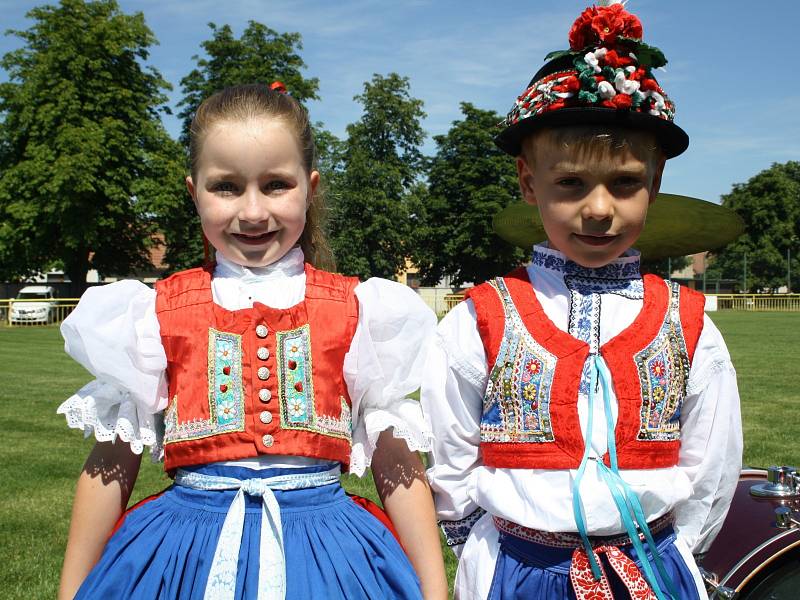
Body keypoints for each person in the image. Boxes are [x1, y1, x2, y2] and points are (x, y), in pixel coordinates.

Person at [57, 82, 448, 600]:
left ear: (310, 187)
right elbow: (114, 461)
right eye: (226, 187)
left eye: (275, 185)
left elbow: (395, 459)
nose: (253, 211)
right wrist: (72, 588)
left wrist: (434, 587)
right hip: (185, 551)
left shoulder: (358, 310)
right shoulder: (157, 312)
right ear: (193, 191)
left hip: (325, 551)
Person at [422, 3, 743, 599]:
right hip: (515, 573)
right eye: (570, 183)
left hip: (651, 570)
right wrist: (488, 554)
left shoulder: (689, 324)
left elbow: (712, 466)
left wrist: (674, 556)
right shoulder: (481, 318)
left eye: (624, 183)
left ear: (655, 184)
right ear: (528, 182)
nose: (598, 209)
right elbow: (452, 456)